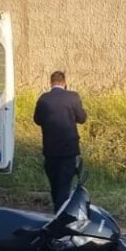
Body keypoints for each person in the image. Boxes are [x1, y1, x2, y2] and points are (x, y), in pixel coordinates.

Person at [32, 70, 87, 210]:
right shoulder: (73, 97)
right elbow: (82, 118)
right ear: (65, 83)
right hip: (69, 148)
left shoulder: (43, 99)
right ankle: (61, 213)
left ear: (51, 83)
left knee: (55, 183)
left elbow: (37, 120)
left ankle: (58, 207)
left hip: (50, 149)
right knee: (64, 183)